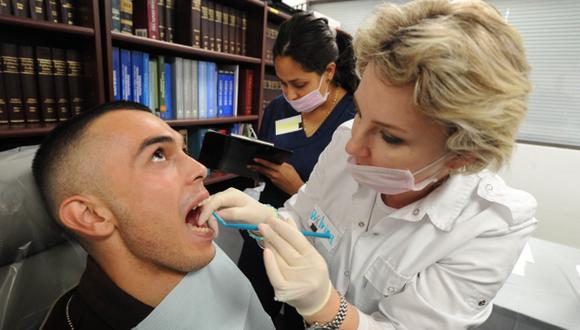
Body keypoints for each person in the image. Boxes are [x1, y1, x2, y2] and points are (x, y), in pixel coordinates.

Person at [200, 0, 538, 329]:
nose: (353, 146)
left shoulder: (491, 224)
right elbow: (302, 215)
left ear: (463, 155)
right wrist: (269, 220)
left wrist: (325, 307)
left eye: (390, 137)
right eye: (361, 112)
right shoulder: (344, 138)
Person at [32, 101, 274, 330]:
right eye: (158, 154)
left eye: (184, 149)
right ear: (91, 215)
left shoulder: (186, 249)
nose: (200, 169)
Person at [238, 11, 359, 328]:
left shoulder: (356, 118)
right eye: (282, 83)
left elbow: (354, 201)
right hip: (266, 225)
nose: (289, 94)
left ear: (329, 71)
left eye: (299, 84)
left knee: (300, 318)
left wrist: (297, 187)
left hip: (312, 241)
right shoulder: (279, 108)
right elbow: (267, 151)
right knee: (248, 308)